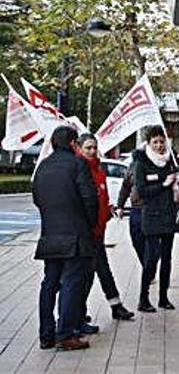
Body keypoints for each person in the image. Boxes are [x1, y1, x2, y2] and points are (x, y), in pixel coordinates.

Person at [33, 126, 97, 351]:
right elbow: (90, 198)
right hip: (75, 234)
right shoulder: (77, 164)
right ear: (73, 144)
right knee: (71, 282)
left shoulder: (43, 166)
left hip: (50, 234)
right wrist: (89, 224)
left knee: (49, 284)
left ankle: (46, 335)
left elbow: (37, 198)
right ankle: (66, 334)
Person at [76, 133, 135, 326]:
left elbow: (100, 199)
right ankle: (77, 313)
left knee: (101, 270)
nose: (92, 151)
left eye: (94, 147)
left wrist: (109, 209)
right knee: (88, 275)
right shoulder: (78, 169)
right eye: (88, 148)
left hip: (99, 231)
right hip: (86, 233)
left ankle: (114, 306)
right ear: (79, 148)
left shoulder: (99, 170)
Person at [133, 125, 178, 312]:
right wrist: (164, 184)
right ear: (149, 144)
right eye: (155, 142)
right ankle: (143, 299)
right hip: (151, 217)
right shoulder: (141, 163)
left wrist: (177, 181)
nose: (159, 145)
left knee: (167, 259)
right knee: (151, 259)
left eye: (162, 141)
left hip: (168, 215)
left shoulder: (171, 161)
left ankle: (163, 298)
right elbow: (141, 191)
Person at [118, 162, 145, 264]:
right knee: (136, 239)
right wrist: (120, 205)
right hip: (136, 209)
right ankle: (146, 265)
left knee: (152, 243)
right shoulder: (133, 165)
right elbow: (125, 187)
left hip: (153, 209)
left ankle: (149, 265)